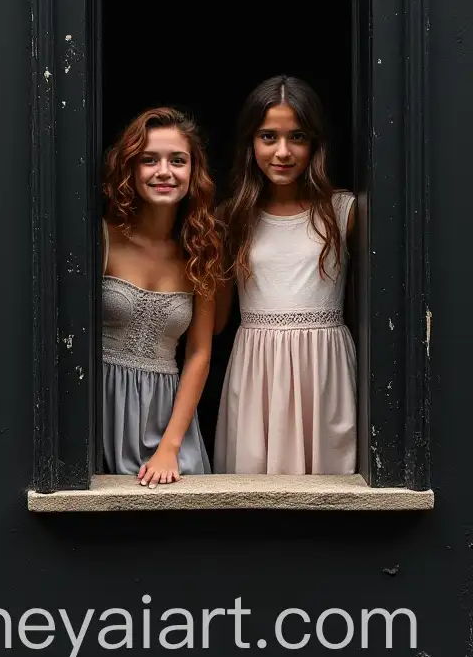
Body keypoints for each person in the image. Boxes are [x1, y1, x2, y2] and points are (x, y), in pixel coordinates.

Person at [214, 75, 357, 475]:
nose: (282, 151)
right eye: (268, 137)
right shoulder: (231, 218)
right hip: (257, 370)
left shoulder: (343, 212)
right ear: (250, 143)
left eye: (297, 137)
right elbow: (217, 320)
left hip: (324, 372)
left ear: (315, 143)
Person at [101, 107, 222, 486]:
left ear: (193, 171)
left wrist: (170, 445)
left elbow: (199, 352)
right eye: (148, 160)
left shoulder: (201, 249)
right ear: (129, 169)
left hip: (169, 417)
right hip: (100, 408)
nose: (164, 171)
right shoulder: (101, 238)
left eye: (178, 160)